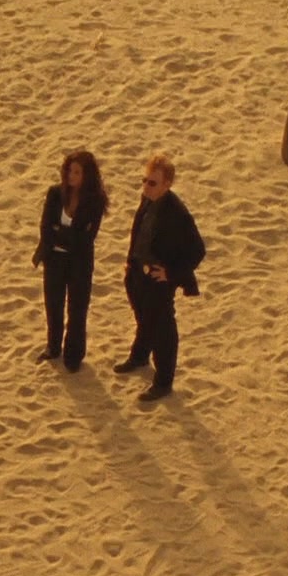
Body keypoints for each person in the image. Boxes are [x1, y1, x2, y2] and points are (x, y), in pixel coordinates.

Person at [112, 153, 205, 401]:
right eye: (144, 180)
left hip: (158, 278)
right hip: (138, 272)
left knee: (162, 328)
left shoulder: (178, 213)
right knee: (143, 317)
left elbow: (198, 250)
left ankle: (163, 382)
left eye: (152, 183)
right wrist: (131, 262)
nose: (146, 186)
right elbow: (139, 232)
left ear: (167, 184)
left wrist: (171, 273)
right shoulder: (147, 199)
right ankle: (140, 356)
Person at [33, 150, 109, 371]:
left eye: (77, 172)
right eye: (69, 171)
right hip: (54, 258)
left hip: (79, 262)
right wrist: (64, 234)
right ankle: (53, 347)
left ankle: (73, 355)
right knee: (53, 304)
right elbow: (46, 228)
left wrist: (60, 232)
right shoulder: (55, 193)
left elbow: (85, 239)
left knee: (77, 309)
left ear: (87, 175)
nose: (71, 176)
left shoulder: (95, 201)